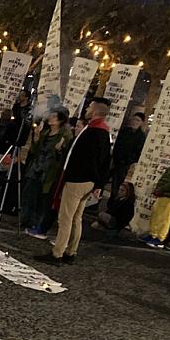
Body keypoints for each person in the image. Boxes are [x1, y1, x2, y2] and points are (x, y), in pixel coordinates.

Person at [36, 98, 111, 265]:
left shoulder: (93, 132)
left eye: (90, 107)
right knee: (76, 217)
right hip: (88, 180)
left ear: (96, 111)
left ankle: (58, 253)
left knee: (66, 218)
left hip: (78, 179)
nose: (87, 108)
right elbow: (105, 161)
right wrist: (98, 183)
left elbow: (84, 158)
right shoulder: (102, 131)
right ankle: (71, 251)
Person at [27, 117, 88, 239]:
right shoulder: (73, 140)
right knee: (56, 205)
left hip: (72, 179)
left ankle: (62, 241)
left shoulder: (79, 141)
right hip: (63, 175)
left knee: (68, 213)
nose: (75, 128)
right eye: (76, 126)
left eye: (79, 126)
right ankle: (43, 229)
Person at [20, 109, 71, 229]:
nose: (50, 118)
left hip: (48, 171)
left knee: (42, 198)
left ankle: (36, 222)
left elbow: (63, 156)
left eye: (53, 117)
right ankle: (24, 219)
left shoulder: (64, 136)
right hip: (36, 167)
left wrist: (59, 150)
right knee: (29, 194)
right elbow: (35, 151)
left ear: (60, 120)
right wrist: (36, 137)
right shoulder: (45, 133)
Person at [108, 112, 147, 202]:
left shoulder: (140, 136)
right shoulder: (124, 131)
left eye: (137, 120)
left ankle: (113, 204)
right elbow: (117, 144)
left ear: (141, 122)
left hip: (125, 164)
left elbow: (138, 152)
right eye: (133, 119)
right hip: (115, 160)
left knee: (118, 185)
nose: (134, 122)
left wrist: (128, 161)